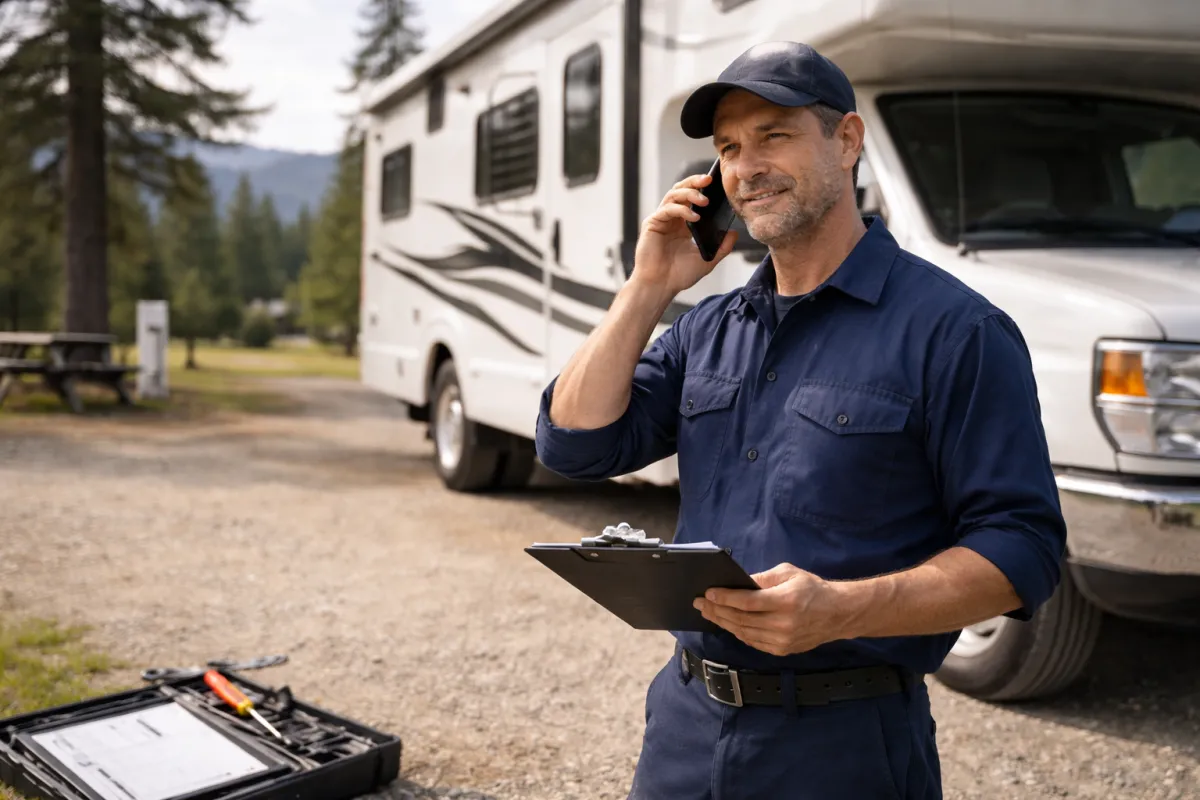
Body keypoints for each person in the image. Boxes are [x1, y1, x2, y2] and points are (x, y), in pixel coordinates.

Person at [534, 41, 1066, 799]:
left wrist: (844, 609)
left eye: (773, 135)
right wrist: (648, 288)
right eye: (728, 148)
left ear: (846, 141)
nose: (745, 167)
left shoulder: (956, 331)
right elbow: (575, 443)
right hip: (685, 727)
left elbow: (1025, 548)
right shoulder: (707, 328)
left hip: (845, 744)